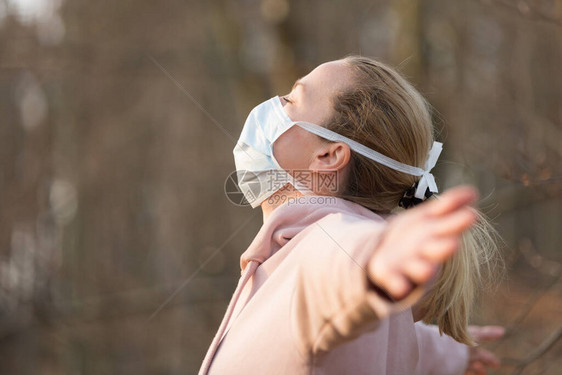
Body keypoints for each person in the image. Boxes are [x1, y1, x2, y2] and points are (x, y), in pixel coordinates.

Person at [199, 56, 504, 375]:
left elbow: (339, 264)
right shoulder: (299, 263)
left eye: (291, 99)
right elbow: (366, 342)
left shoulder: (323, 249)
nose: (274, 102)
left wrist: (376, 255)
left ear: (329, 155)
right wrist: (443, 352)